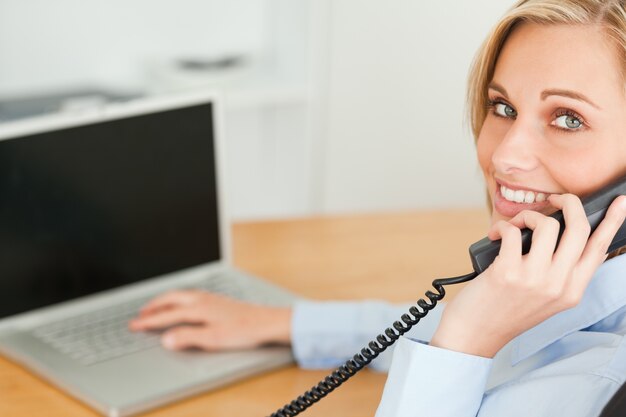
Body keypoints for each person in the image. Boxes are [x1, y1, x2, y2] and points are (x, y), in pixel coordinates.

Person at [130, 0, 626, 415]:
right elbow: (431, 325)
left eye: (568, 119)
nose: (503, 156)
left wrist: (467, 339)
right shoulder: (553, 286)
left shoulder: (602, 386)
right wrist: (282, 324)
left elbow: (473, 337)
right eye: (502, 107)